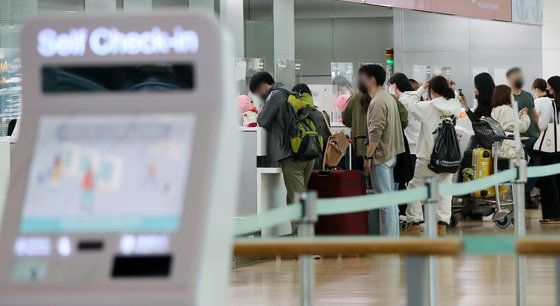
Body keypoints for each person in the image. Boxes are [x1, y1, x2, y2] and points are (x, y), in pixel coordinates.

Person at [401, 76, 461, 236]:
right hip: (449, 157)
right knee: (445, 192)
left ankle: (413, 224)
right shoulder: (456, 105)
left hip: (428, 157)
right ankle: (441, 226)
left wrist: (421, 88)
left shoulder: (428, 106)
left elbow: (408, 103)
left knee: (415, 188)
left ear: (432, 91)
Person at [250, 72, 314, 214]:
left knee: (296, 199)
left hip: (292, 154)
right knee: (301, 196)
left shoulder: (275, 95)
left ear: (262, 87)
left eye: (256, 92)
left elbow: (262, 120)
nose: (258, 96)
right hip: (306, 150)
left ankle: (302, 234)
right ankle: (306, 231)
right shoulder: (289, 93)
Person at [358, 64, 405, 237]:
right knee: (390, 199)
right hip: (391, 153)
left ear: (371, 80)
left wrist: (368, 156)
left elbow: (375, 132)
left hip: (381, 155)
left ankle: (387, 240)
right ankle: (393, 238)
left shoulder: (377, 102)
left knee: (385, 201)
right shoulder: (387, 97)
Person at [507, 68, 540, 208]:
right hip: (519, 140)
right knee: (522, 168)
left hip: (534, 137)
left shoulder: (528, 95)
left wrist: (540, 132)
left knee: (539, 165)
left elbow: (535, 115)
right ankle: (524, 197)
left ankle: (526, 191)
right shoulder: (508, 97)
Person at [388, 73, 429, 166]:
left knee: (409, 179)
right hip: (421, 145)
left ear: (394, 85)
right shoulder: (417, 97)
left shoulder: (402, 100)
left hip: (409, 147)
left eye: (389, 85)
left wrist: (392, 95)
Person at [536, 76, 560, 223]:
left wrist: (538, 118)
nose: (548, 89)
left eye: (549, 87)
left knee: (548, 182)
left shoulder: (551, 104)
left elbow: (543, 125)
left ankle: (552, 215)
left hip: (551, 148)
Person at [342, 92, 370, 170]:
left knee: (359, 176)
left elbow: (345, 119)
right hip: (380, 147)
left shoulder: (355, 98)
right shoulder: (383, 97)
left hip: (358, 145)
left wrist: (355, 124)